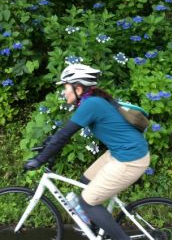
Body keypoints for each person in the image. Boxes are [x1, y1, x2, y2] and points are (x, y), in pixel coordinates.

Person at [24, 64, 150, 240]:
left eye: (65, 87)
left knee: (87, 201)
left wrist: (39, 160)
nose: (63, 92)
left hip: (130, 159)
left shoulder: (91, 104)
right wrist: (48, 148)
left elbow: (64, 134)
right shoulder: (91, 101)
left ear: (78, 88)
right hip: (121, 152)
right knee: (85, 181)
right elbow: (64, 133)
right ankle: (95, 231)